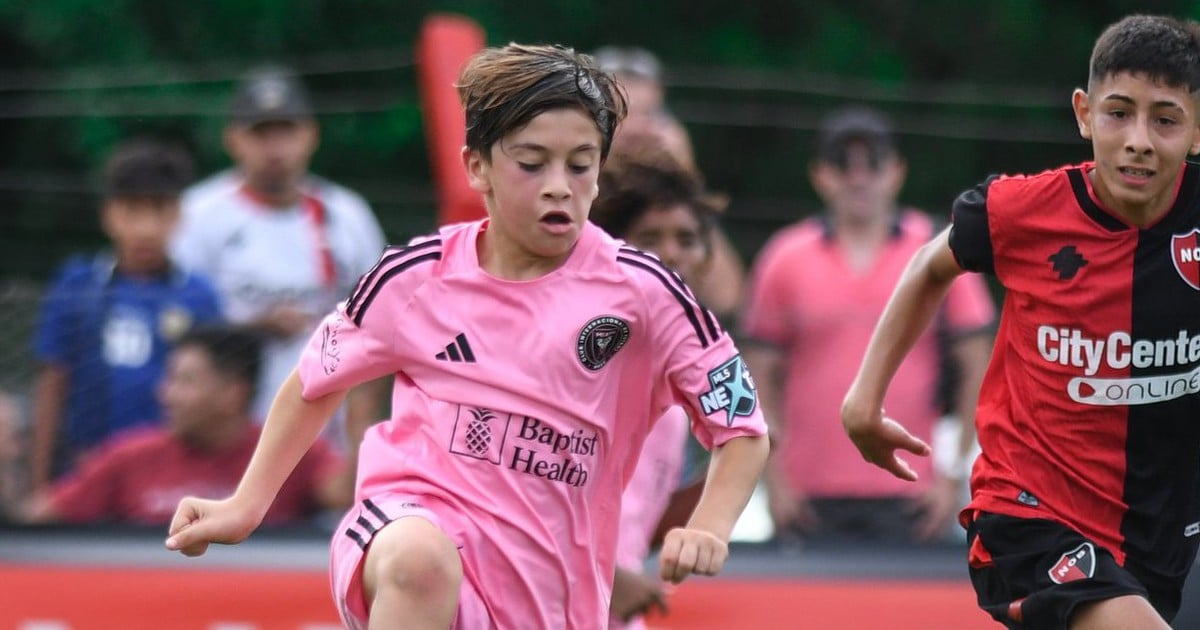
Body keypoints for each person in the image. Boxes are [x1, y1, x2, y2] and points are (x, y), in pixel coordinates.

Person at [164, 43, 770, 630]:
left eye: (581, 165)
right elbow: (314, 382)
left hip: (556, 596)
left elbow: (741, 428)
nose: (559, 184)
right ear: (476, 166)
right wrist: (246, 505)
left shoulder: (646, 292)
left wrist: (711, 527)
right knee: (418, 563)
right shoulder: (414, 276)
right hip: (409, 522)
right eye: (531, 163)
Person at [842, 14, 1200, 629]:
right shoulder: (1021, 211)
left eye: (1165, 119)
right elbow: (931, 264)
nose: (1139, 138)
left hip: (1158, 533)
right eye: (1119, 113)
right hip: (1027, 519)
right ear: (1084, 113)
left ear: (1196, 130)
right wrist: (862, 401)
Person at [742, 105, 995, 545]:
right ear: (820, 174)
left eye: (872, 163)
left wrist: (955, 475)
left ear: (896, 171)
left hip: (914, 495)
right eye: (843, 164)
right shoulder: (784, 256)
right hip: (806, 497)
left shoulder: (939, 249)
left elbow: (981, 367)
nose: (858, 177)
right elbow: (756, 376)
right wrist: (772, 478)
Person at [171, 66, 388, 436]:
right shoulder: (198, 214)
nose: (275, 149)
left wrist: (358, 442)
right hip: (227, 436)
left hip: (326, 438)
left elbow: (380, 329)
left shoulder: (348, 215)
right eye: (261, 134)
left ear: (311, 135)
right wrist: (254, 327)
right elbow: (175, 323)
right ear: (234, 139)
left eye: (286, 132)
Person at [31, 139, 223, 490]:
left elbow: (214, 395)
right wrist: (41, 481)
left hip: (166, 478)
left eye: (160, 210)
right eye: (132, 211)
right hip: (83, 468)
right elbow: (52, 382)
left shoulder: (199, 294)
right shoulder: (77, 283)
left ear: (179, 216)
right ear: (108, 214)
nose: (146, 228)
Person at [23, 327, 349, 526]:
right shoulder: (129, 457)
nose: (166, 393)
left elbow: (344, 493)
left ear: (232, 394)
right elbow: (40, 518)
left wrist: (361, 408)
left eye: (185, 381)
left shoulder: (292, 451)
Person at [590, 142, 719, 628]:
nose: (672, 253)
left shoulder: (679, 363)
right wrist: (609, 580)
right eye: (651, 237)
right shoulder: (592, 353)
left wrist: (724, 480)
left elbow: (639, 519)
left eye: (687, 237)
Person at [594, 45, 746, 326]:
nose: (639, 130)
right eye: (621, 115)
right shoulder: (570, 196)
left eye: (648, 115)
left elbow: (725, 297)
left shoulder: (670, 205)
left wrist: (686, 178)